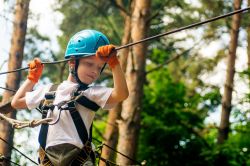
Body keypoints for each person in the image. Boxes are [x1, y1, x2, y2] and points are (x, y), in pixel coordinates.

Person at [11, 29, 129, 166]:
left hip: (79, 159)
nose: (94, 71)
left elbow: (121, 94)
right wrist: (32, 78)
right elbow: (16, 102)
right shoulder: (49, 90)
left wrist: (114, 63)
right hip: (48, 159)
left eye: (99, 67)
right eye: (89, 64)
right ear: (72, 62)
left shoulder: (92, 93)